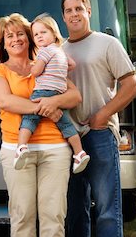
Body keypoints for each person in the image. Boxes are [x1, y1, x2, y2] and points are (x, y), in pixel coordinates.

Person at [0, 13, 82, 237]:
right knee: (22, 212)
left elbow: (75, 97)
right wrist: (47, 107)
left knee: (54, 212)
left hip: (55, 150)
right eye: (9, 35)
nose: (16, 39)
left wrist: (54, 101)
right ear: (3, 42)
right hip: (16, 149)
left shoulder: (48, 63)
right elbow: (4, 101)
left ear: (30, 38)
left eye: (21, 34)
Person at [61, 0, 136, 237]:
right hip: (69, 139)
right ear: (63, 16)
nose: (74, 14)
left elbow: (132, 85)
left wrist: (103, 115)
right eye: (69, 10)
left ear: (89, 12)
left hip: (99, 134)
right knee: (75, 209)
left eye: (79, 9)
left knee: (107, 208)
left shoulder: (108, 44)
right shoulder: (58, 49)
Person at [14, 13, 90, 173]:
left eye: (43, 32)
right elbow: (72, 64)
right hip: (58, 92)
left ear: (54, 33)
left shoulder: (44, 51)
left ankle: (21, 147)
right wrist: (58, 69)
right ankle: (79, 153)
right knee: (65, 124)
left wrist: (31, 68)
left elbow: (36, 71)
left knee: (29, 118)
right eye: (36, 34)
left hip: (43, 91)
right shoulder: (60, 51)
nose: (39, 37)